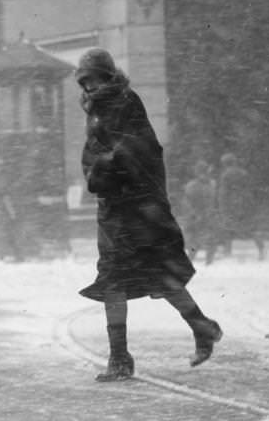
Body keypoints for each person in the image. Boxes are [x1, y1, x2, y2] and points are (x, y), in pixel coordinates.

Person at [75, 48, 222, 382]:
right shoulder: (94, 111)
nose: (86, 88)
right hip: (113, 212)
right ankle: (120, 358)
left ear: (106, 75)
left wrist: (110, 162)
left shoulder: (127, 102)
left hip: (139, 210)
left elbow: (143, 148)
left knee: (161, 276)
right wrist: (98, 168)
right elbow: (92, 156)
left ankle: (202, 327)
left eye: (91, 79)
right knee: (112, 280)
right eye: (83, 83)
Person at [216, 153, 264, 260]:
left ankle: (227, 252)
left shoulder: (225, 175)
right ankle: (261, 249)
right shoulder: (244, 173)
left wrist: (222, 206)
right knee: (251, 228)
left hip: (232, 204)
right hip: (246, 203)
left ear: (225, 163)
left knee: (227, 228)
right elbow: (250, 189)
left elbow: (223, 193)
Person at [181, 159, 217, 264]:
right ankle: (208, 260)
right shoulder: (212, 184)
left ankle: (191, 259)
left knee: (194, 238)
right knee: (209, 238)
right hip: (207, 214)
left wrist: (192, 213)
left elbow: (187, 201)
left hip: (195, 215)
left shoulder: (192, 185)